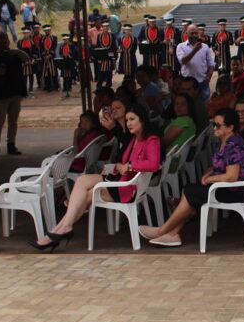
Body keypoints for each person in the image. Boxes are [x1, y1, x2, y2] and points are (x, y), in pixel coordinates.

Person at [30, 105, 161, 251]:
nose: (129, 123)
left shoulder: (151, 140)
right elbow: (123, 158)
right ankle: (62, 229)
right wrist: (118, 166)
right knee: (81, 181)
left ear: (142, 121)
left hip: (126, 188)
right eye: (127, 120)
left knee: (85, 196)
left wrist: (130, 166)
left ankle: (57, 232)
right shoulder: (132, 139)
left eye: (132, 119)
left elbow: (153, 164)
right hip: (118, 180)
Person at [139, 107, 244, 247]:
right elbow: (223, 165)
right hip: (225, 188)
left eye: (218, 125)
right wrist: (210, 171)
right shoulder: (224, 141)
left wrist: (209, 179)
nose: (214, 128)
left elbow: (231, 176)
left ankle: (162, 231)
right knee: (189, 190)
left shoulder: (233, 145)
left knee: (190, 193)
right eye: (213, 124)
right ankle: (172, 234)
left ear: (230, 127)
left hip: (235, 191)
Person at [176, 23, 217, 102]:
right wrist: (194, 50)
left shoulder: (205, 47)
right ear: (187, 33)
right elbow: (183, 61)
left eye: (196, 33)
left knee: (204, 106)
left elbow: (211, 64)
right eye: (192, 33)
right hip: (187, 83)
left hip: (202, 82)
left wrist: (208, 77)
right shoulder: (181, 46)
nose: (194, 35)